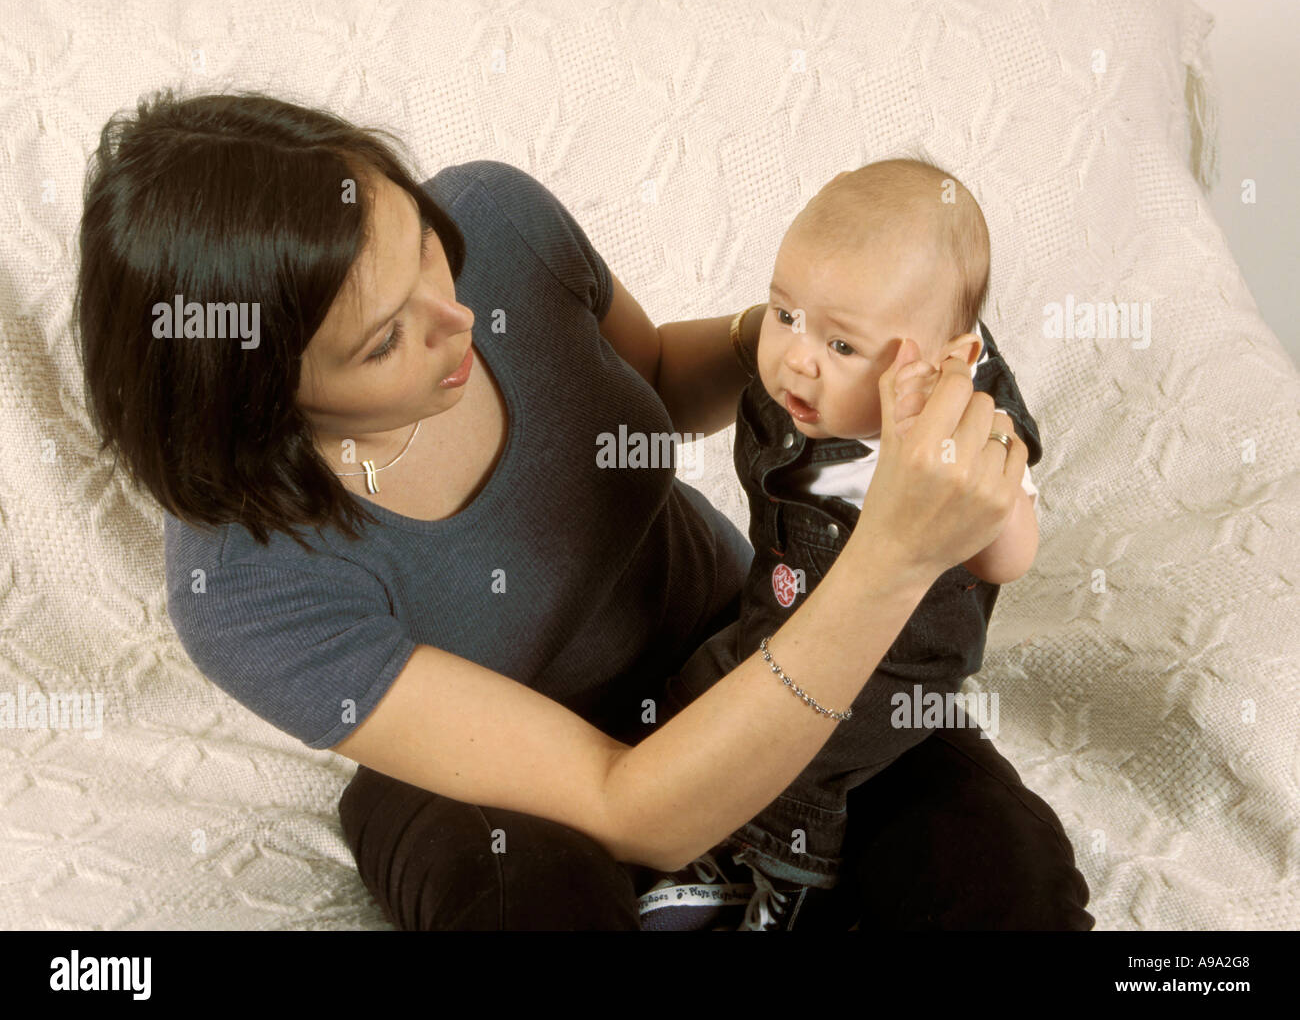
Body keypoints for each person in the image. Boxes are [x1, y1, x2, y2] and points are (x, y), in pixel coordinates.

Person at [72, 89, 1093, 931]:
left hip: (735, 642)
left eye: (428, 246)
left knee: (998, 885)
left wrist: (804, 338)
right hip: (497, 789)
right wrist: (890, 562)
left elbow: (649, 377)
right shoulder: (244, 585)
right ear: (258, 400)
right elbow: (629, 803)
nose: (458, 315)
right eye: (387, 342)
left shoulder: (500, 221)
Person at [641, 159, 1071, 931]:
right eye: (785, 314)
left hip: (894, 665)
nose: (796, 358)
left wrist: (986, 493)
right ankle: (694, 836)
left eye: (842, 346)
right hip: (777, 623)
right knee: (706, 689)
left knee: (817, 749)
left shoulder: (965, 430)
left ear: (948, 362)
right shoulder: (792, 401)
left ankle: (782, 873)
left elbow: (1009, 560)